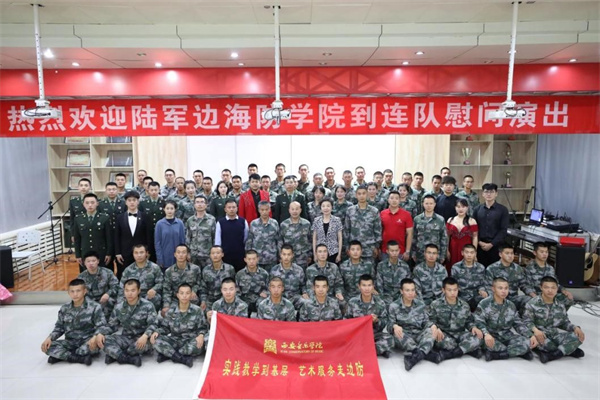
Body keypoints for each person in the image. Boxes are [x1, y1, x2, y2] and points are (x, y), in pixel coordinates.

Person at [41, 278, 105, 365]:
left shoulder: (95, 307)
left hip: (87, 341)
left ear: (84, 291)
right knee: (47, 347)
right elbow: (59, 327)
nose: (75, 294)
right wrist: (50, 338)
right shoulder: (65, 308)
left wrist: (95, 336)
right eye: (72, 291)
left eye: (78, 291)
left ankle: (62, 356)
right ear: (68, 292)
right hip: (70, 342)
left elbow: (102, 326)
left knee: (95, 346)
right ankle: (78, 358)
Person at [523, 276, 585, 363]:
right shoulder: (532, 303)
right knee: (546, 344)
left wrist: (575, 328)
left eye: (553, 288)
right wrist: (536, 330)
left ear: (557, 289)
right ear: (541, 288)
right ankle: (567, 350)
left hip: (554, 335)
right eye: (546, 287)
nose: (550, 290)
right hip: (540, 335)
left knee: (577, 337)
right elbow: (526, 322)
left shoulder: (560, 305)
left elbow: (564, 323)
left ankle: (552, 355)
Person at [97, 279, 157, 367]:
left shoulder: (148, 305)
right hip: (126, 338)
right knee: (105, 340)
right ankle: (128, 359)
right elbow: (111, 325)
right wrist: (101, 333)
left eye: (133, 290)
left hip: (142, 338)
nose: (129, 294)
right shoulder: (119, 307)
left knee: (139, 346)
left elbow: (153, 324)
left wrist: (145, 336)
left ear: (139, 291)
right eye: (127, 290)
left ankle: (115, 355)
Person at [474, 277, 537, 361]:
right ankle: (517, 352)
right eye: (500, 288)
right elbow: (479, 321)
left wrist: (530, 335)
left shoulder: (511, 305)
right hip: (491, 335)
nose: (503, 291)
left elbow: (518, 323)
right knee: (483, 342)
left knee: (528, 342)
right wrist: (486, 334)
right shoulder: (484, 303)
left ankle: (498, 355)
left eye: (506, 288)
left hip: (507, 335)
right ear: (493, 289)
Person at [151, 283, 208, 368]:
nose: (184, 296)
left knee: (200, 344)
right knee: (155, 339)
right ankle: (182, 358)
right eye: (181, 293)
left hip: (190, 340)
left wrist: (201, 335)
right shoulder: (171, 310)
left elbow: (203, 328)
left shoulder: (197, 310)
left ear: (191, 295)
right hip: (174, 340)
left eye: (187, 293)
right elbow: (165, 328)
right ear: (177, 295)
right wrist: (157, 332)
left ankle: (168, 354)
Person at [428, 277, 484, 362]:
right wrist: (435, 328)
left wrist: (473, 328)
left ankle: (450, 354)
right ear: (443, 290)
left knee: (479, 337)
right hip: (444, 334)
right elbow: (430, 320)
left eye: (455, 290)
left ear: (458, 289)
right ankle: (467, 349)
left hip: (460, 334)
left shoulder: (464, 305)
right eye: (449, 290)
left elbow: (468, 321)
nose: (452, 293)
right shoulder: (435, 304)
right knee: (440, 340)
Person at [388, 278, 437, 371]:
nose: (410, 293)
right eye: (407, 290)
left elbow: (426, 321)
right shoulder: (394, 306)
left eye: (412, 290)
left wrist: (432, 326)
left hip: (418, 333)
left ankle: (415, 357)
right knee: (397, 334)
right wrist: (395, 326)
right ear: (401, 291)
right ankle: (424, 352)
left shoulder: (420, 304)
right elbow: (390, 324)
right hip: (404, 335)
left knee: (431, 331)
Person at [345, 274, 393, 358]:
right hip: (357, 335)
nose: (367, 288)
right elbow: (346, 320)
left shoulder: (380, 302)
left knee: (390, 339)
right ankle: (377, 350)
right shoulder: (352, 302)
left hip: (374, 334)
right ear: (359, 287)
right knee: (345, 341)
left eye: (369, 285)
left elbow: (385, 321)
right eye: (364, 285)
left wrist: (377, 321)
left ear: (373, 286)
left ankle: (367, 350)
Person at [523, 242, 574, 308]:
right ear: (535, 253)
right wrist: (533, 295)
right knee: (530, 301)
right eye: (542, 252)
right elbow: (526, 285)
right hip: (537, 294)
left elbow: (555, 283)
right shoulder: (529, 268)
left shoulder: (550, 268)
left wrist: (564, 290)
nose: (544, 254)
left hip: (550, 293)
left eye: (546, 252)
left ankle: (558, 313)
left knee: (568, 299)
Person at [114, 190, 152, 280]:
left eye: (134, 200)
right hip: (124, 253)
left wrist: (148, 251)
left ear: (138, 202)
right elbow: (116, 236)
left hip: (141, 252)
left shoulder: (145, 217)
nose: (132, 202)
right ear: (126, 202)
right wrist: (117, 252)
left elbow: (149, 236)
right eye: (129, 200)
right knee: (124, 276)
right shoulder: (119, 217)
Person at [485, 244, 533, 312]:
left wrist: (532, 294)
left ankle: (520, 317)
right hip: (498, 298)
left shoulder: (518, 268)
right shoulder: (491, 268)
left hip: (513, 299)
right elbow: (488, 287)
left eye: (512, 253)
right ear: (500, 254)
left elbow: (524, 284)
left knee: (529, 300)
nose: (510, 256)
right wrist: (494, 300)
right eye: (507, 253)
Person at [72, 193, 112, 271]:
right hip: (85, 252)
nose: (90, 205)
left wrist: (109, 253)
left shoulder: (104, 218)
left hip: (101, 252)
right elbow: (77, 239)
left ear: (97, 203)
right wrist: (78, 255)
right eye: (87, 203)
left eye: (92, 202)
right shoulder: (78, 219)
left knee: (102, 274)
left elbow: (109, 238)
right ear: (83, 204)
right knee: (86, 274)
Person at [473, 183, 509, 266]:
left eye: (491, 192)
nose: (489, 194)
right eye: (486, 192)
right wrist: (479, 242)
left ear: (496, 194)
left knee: (495, 269)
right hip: (480, 246)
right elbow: (474, 228)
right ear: (482, 194)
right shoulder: (477, 209)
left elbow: (503, 230)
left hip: (496, 246)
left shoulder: (503, 210)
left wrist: (491, 244)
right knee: (480, 268)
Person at [344, 185, 382, 263]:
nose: (361, 196)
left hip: (369, 249)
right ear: (356, 195)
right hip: (354, 249)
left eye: (364, 193)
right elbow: (346, 230)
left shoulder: (374, 211)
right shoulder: (350, 210)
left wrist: (376, 247)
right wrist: (347, 247)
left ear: (367, 194)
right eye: (359, 194)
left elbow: (377, 230)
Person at [120, 244, 163, 312]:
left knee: (156, 297)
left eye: (141, 252)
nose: (139, 255)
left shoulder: (154, 268)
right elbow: (121, 286)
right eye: (136, 253)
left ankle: (151, 316)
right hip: (133, 295)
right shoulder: (128, 270)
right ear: (133, 254)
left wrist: (154, 289)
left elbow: (161, 282)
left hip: (148, 294)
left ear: (146, 253)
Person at [78, 251, 120, 319]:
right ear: (84, 263)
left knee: (112, 302)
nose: (91, 263)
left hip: (105, 299)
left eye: (93, 261)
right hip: (90, 300)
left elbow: (116, 286)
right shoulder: (81, 277)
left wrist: (108, 294)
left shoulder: (107, 272)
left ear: (98, 261)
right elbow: (79, 291)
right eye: (88, 261)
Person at [162, 244, 202, 316]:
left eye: (183, 252)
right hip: (175, 299)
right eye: (178, 252)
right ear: (175, 254)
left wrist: (194, 291)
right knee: (166, 314)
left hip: (190, 298)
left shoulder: (195, 269)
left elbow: (198, 283)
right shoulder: (169, 271)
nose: (181, 255)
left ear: (187, 254)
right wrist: (166, 305)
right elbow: (166, 290)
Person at [411, 194, 448, 265]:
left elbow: (443, 238)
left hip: (435, 254)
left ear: (435, 204)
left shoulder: (440, 220)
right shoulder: (417, 219)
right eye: (426, 203)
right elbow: (414, 237)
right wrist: (413, 253)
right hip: (420, 253)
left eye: (431, 203)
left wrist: (443, 255)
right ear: (423, 204)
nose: (429, 206)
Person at [269, 244, 308, 309]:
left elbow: (303, 285)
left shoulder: (299, 270)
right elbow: (270, 286)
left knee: (306, 302)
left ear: (292, 255)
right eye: (284, 254)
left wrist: (304, 293)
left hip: (295, 298)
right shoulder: (274, 270)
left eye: (288, 254)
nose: (286, 257)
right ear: (280, 255)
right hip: (279, 298)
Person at [451, 244, 487, 311]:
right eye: (467, 252)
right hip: (461, 296)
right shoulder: (456, 267)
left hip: (476, 296)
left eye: (472, 252)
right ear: (462, 253)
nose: (469, 255)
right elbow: (453, 284)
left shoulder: (481, 267)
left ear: (475, 254)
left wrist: (482, 290)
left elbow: (482, 284)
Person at [245, 201, 280, 272]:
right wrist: (248, 256)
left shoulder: (274, 223)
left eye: (266, 209)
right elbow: (249, 241)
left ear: (269, 209)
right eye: (262, 210)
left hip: (271, 258)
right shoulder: (254, 223)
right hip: (257, 259)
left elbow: (278, 241)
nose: (264, 212)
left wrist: (279, 256)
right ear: (259, 210)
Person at [215, 199, 249, 271]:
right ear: (225, 209)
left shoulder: (243, 221)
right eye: (229, 207)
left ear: (237, 208)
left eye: (233, 207)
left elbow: (246, 238)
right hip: (225, 256)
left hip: (240, 255)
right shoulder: (220, 223)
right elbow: (218, 242)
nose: (231, 209)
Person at [446, 198, 478, 272]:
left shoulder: (472, 221)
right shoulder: (450, 220)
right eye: (458, 206)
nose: (461, 209)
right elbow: (447, 237)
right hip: (453, 248)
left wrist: (474, 253)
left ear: (467, 208)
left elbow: (475, 237)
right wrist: (447, 250)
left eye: (463, 207)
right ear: (455, 208)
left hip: (467, 249)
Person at [199, 246, 236, 310]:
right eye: (213, 253)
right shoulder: (205, 270)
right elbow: (203, 288)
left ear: (222, 254)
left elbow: (234, 286)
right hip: (210, 301)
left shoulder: (230, 269)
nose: (215, 255)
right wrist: (203, 301)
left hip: (226, 299)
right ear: (210, 255)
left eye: (218, 253)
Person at [380, 190, 413, 262]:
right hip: (385, 250)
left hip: (400, 251)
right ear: (388, 200)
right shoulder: (382, 214)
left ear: (400, 200)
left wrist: (407, 251)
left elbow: (409, 234)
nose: (394, 200)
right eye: (392, 198)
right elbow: (379, 231)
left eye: (396, 198)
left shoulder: (406, 214)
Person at [375, 240, 411, 305]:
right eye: (392, 251)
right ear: (387, 251)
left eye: (396, 251)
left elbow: (407, 284)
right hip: (385, 297)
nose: (394, 253)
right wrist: (381, 299)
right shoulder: (381, 265)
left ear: (399, 251)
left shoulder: (405, 266)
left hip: (400, 298)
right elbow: (379, 284)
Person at [186, 195, 216, 268]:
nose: (200, 204)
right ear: (194, 205)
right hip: (194, 255)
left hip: (207, 254)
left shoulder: (212, 219)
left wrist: (214, 253)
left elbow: (214, 238)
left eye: (202, 202)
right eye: (197, 202)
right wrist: (188, 253)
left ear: (206, 205)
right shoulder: (190, 220)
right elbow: (188, 238)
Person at [279, 202, 313, 269]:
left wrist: (310, 255)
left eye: (297, 209)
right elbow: (280, 241)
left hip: (303, 258)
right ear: (289, 210)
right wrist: (280, 256)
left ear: (300, 210)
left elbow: (310, 240)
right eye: (292, 209)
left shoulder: (306, 224)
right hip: (287, 258)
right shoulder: (284, 225)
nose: (294, 211)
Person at [235, 250, 269, 315]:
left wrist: (265, 293)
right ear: (245, 260)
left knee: (263, 304)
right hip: (244, 299)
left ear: (257, 259)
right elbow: (236, 291)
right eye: (249, 259)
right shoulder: (239, 274)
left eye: (254, 259)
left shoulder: (264, 274)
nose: (251, 261)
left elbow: (268, 289)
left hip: (259, 299)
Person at [154, 200, 186, 270]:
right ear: (164, 209)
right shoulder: (159, 224)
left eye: (172, 208)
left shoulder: (180, 223)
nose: (169, 211)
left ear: (175, 209)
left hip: (178, 257)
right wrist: (159, 258)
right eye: (167, 208)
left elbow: (182, 241)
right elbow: (157, 243)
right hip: (165, 257)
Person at [139, 181, 166, 262]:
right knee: (149, 254)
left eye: (156, 190)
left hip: (161, 232)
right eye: (151, 190)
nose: (154, 192)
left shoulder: (164, 203)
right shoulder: (143, 204)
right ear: (148, 190)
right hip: (147, 233)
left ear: (159, 190)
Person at [312, 199, 343, 263]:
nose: (326, 208)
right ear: (321, 208)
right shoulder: (316, 220)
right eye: (323, 206)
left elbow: (340, 238)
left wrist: (339, 254)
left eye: (328, 206)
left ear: (332, 207)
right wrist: (315, 254)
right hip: (320, 252)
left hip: (333, 252)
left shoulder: (337, 220)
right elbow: (314, 238)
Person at [69, 178, 92, 245]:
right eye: (81, 185)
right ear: (78, 187)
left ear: (90, 187)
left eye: (86, 185)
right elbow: (72, 219)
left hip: (92, 229)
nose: (83, 187)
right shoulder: (73, 202)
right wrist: (72, 234)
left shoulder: (96, 201)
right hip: (78, 230)